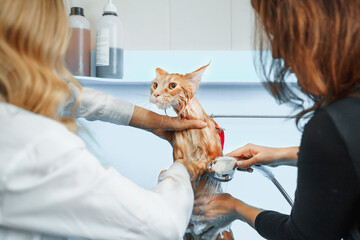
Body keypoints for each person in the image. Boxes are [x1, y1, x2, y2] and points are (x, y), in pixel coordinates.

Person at [0, 0, 206, 239]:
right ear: (45, 39)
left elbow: (70, 96)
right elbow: (161, 225)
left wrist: (153, 121)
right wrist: (183, 167)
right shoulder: (31, 142)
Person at [194, 0, 360, 239]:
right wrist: (282, 154)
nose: (276, 52)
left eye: (280, 36)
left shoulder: (331, 127)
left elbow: (300, 236)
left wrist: (236, 208)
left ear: (315, 32)